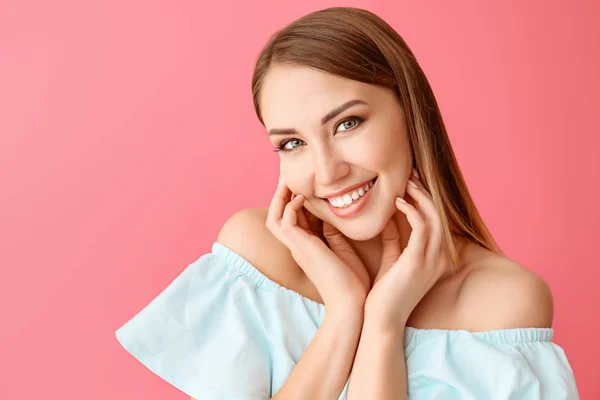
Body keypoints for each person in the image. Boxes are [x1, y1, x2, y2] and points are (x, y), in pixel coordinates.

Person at [114, 6, 579, 399]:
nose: (326, 172)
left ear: (409, 113)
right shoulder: (254, 262)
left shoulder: (502, 304)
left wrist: (383, 323)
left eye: (347, 124)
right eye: (292, 143)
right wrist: (343, 310)